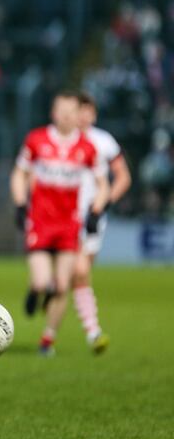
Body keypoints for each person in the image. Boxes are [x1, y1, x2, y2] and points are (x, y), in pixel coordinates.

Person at [10, 91, 109, 357]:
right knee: (44, 282)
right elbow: (19, 173)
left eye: (71, 111)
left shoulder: (87, 149)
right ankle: (34, 291)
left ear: (78, 115)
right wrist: (20, 203)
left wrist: (96, 211)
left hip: (68, 226)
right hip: (41, 222)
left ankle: (47, 340)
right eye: (61, 111)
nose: (66, 116)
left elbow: (103, 185)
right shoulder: (37, 140)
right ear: (53, 113)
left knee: (63, 285)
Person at [71, 92, 131, 354]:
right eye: (78, 109)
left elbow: (123, 177)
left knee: (81, 273)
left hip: (93, 215)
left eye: (87, 109)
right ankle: (93, 331)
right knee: (79, 271)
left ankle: (53, 334)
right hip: (63, 216)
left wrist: (104, 205)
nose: (83, 114)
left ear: (93, 113)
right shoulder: (63, 140)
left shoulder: (103, 141)